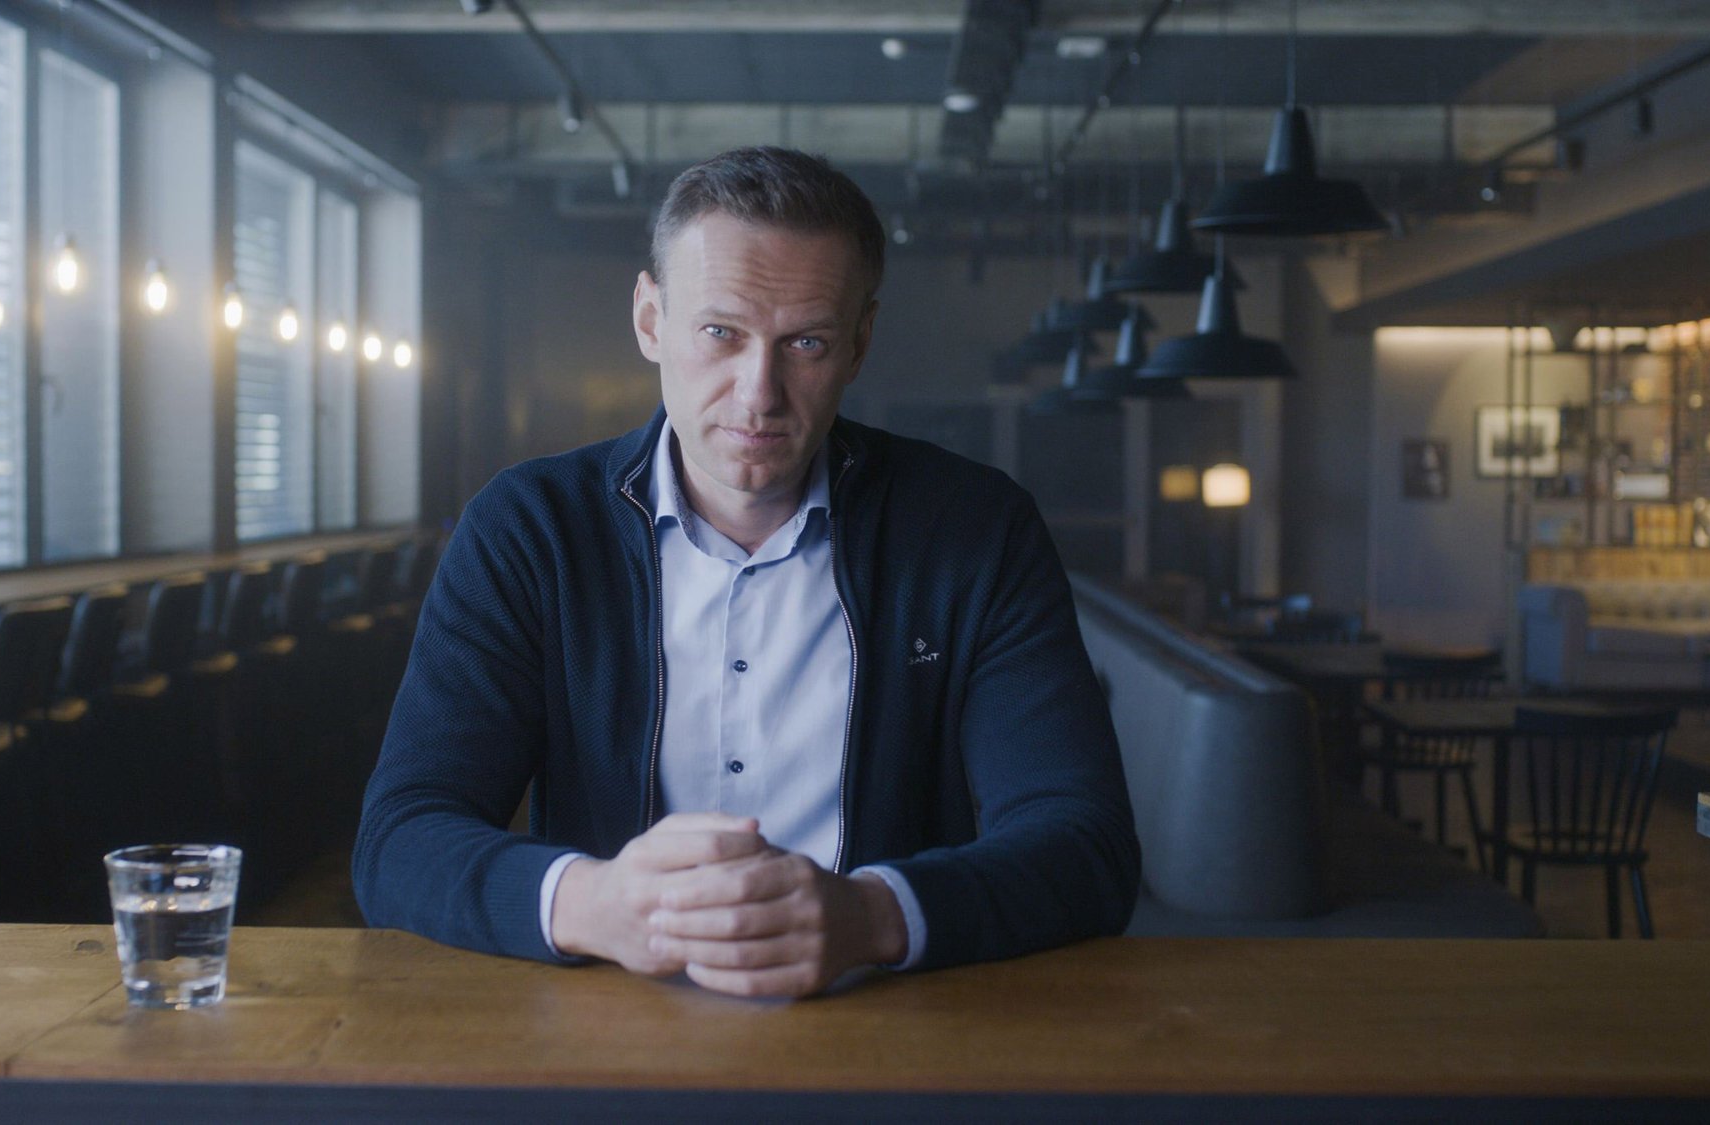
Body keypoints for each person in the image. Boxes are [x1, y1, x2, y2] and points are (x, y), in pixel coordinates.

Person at [355, 146, 1139, 999]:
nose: (759, 392)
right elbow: (399, 840)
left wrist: (872, 916)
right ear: (651, 321)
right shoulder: (529, 528)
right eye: (720, 333)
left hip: (891, 1025)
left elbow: (1086, 843)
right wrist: (595, 902)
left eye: (804, 341)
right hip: (607, 1024)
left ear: (859, 343)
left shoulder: (975, 530)